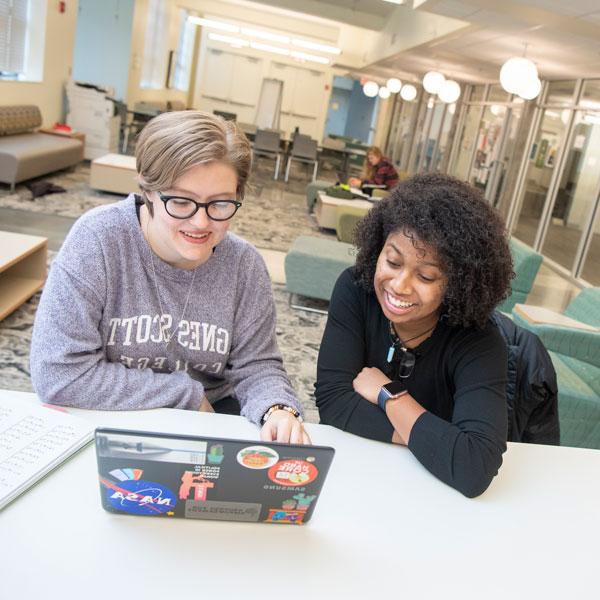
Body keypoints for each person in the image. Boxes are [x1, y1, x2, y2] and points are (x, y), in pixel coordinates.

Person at [30, 110, 310, 444]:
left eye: (220, 204)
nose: (201, 223)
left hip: (211, 423)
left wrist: (277, 408)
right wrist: (184, 395)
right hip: (110, 417)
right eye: (180, 201)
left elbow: (258, 364)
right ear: (147, 189)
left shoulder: (244, 265)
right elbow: (59, 372)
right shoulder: (97, 242)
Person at [315, 173, 514, 497]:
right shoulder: (355, 290)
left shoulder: (479, 341)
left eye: (426, 275)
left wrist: (388, 394)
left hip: (435, 496)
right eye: (392, 261)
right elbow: (333, 402)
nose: (399, 285)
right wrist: (429, 435)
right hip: (357, 476)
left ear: (458, 284)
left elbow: (473, 467)